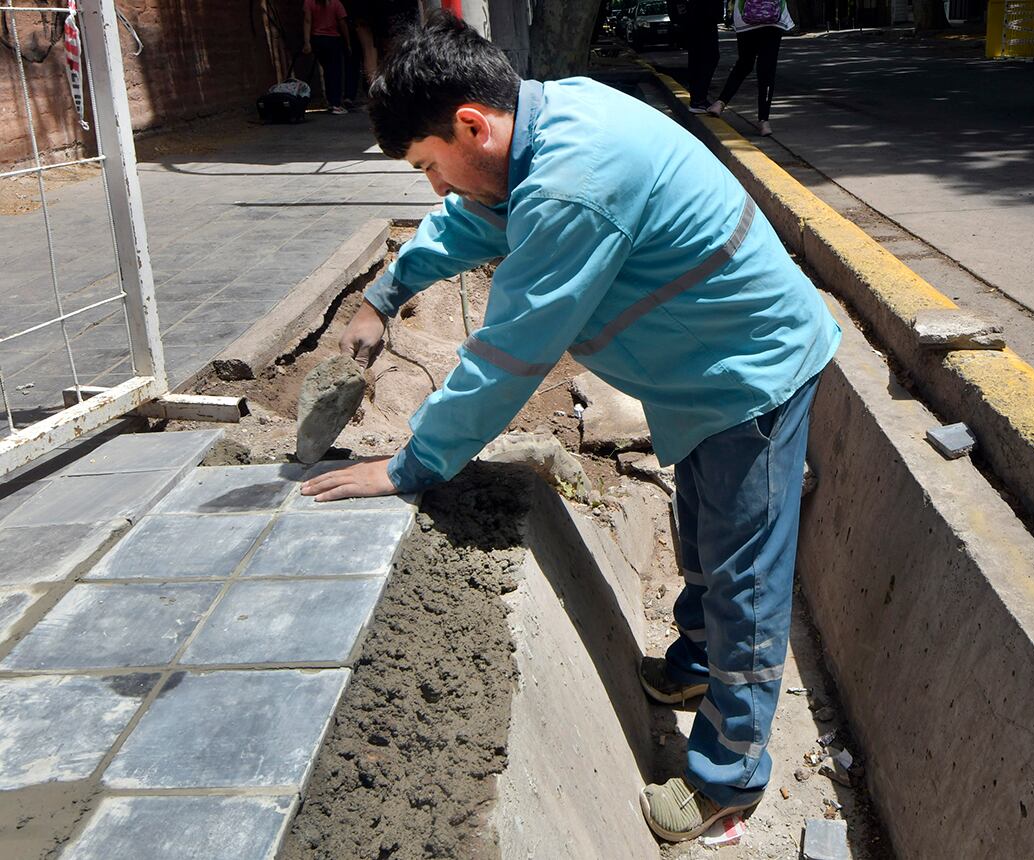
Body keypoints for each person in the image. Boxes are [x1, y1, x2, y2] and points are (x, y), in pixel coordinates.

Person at [300, 12, 840, 843]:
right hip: (695, 373)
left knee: (745, 579)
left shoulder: (572, 183)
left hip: (749, 374)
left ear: (471, 125)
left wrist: (412, 465)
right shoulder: (538, 130)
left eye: (429, 166)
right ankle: (696, 670)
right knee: (702, 537)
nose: (435, 189)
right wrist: (386, 289)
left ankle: (726, 782)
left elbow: (510, 354)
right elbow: (477, 218)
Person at [707, 0, 793, 135]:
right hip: (773, 16)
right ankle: (764, 121)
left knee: (744, 63)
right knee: (767, 69)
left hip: (745, 16)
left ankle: (720, 103)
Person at [302, 0, 358, 114]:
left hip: (317, 39)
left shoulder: (309, 3)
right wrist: (348, 43)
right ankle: (335, 103)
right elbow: (342, 24)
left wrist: (307, 42)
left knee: (328, 71)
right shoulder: (336, 4)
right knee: (335, 72)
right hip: (333, 40)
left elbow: (307, 21)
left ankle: (331, 100)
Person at [680, 0, 723, 113]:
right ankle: (698, 99)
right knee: (708, 57)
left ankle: (697, 99)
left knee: (698, 57)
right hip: (702, 16)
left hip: (696, 16)